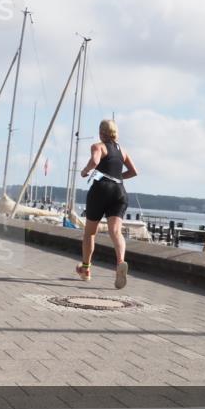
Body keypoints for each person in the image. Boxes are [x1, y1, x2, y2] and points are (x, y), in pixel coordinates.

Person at [77, 119, 138, 288]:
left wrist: (85, 170)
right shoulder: (122, 151)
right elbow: (134, 172)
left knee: (90, 233)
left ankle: (86, 269)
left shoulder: (98, 146)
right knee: (115, 232)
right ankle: (120, 262)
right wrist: (117, 178)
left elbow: (95, 161)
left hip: (101, 190)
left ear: (101, 132)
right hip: (119, 191)